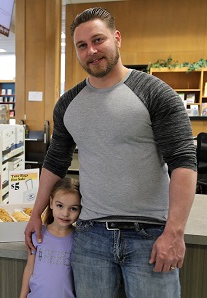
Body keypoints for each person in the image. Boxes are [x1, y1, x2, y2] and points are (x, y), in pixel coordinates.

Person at [24, 7, 197, 298]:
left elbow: (183, 162)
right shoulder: (68, 104)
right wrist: (35, 214)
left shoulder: (156, 93)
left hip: (150, 235)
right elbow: (55, 163)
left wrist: (175, 232)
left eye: (98, 40)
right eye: (82, 45)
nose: (91, 51)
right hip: (91, 237)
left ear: (117, 38)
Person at [20, 178, 81, 298]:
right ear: (51, 202)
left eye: (73, 208)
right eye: (60, 206)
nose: (65, 213)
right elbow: (29, 269)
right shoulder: (37, 235)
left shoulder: (79, 240)